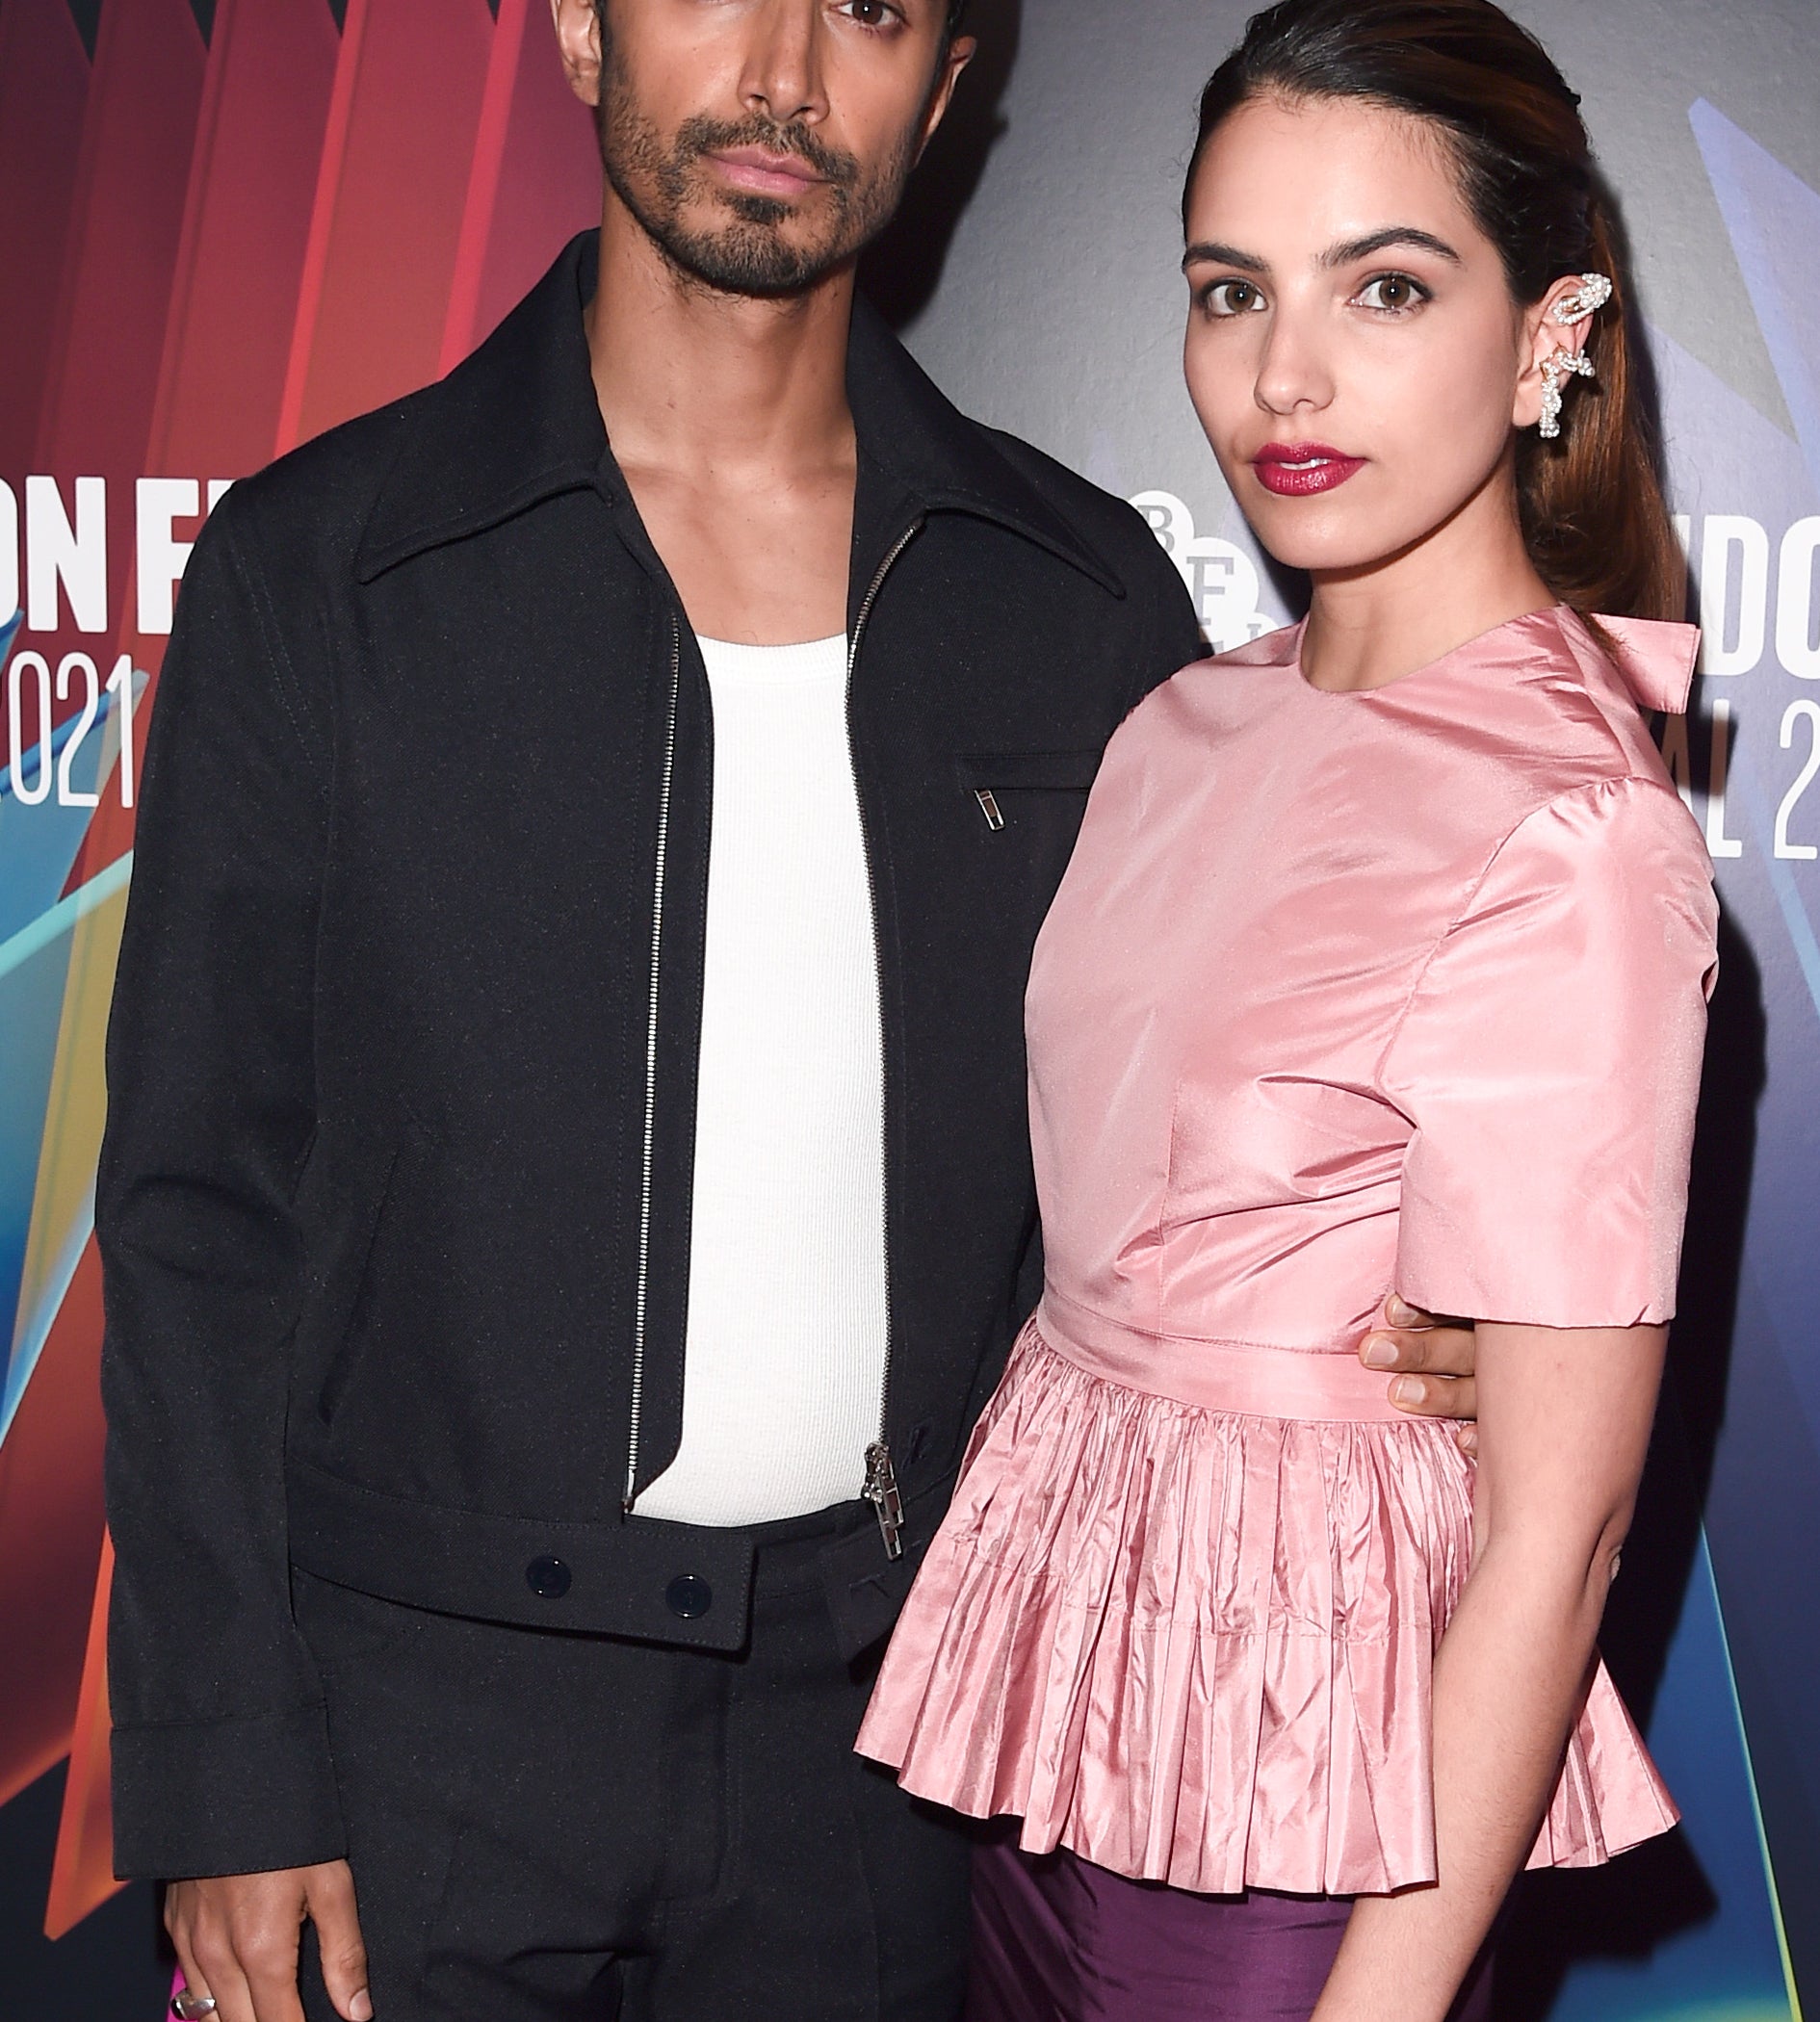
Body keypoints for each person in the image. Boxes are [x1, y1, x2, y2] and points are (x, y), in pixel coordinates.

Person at [97, 3, 1483, 2021]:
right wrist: (228, 1770)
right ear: (577, 26)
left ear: (944, 79)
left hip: (889, 1749)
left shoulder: (1082, 602)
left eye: (869, 7)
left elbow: (1203, 1139)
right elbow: (197, 1213)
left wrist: (1430, 1300)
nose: (780, 72)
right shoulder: (330, 572)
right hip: (414, 1735)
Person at [857, 3, 1720, 2018]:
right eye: (1230, 290)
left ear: (1545, 333)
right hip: (1044, 1745)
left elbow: (1560, 1548)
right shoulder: (1178, 723)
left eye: (1386, 287)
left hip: (1311, 1831)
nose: (1284, 375)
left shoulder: (1574, 824)